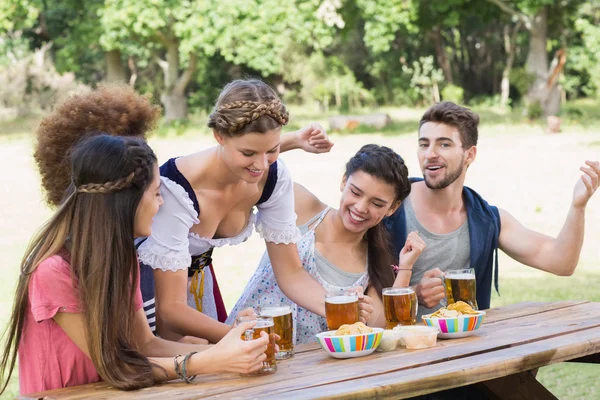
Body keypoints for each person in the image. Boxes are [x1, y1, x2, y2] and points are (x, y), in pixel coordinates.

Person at [0, 135, 271, 396]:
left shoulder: (122, 255)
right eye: (155, 193)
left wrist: (229, 347)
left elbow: (145, 343)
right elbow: (116, 368)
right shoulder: (54, 271)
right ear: (126, 202)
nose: (161, 203)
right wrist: (208, 361)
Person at [136, 79, 370, 344]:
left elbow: (291, 274)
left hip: (199, 288)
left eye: (273, 150)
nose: (261, 165)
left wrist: (338, 308)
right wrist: (240, 337)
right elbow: (169, 310)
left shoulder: (274, 177)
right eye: (248, 152)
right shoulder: (176, 190)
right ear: (219, 136)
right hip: (147, 297)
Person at [385, 101, 600, 317]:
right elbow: (358, 293)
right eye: (424, 144)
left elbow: (562, 262)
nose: (430, 154)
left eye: (444, 144)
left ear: (469, 155)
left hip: (468, 347)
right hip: (400, 345)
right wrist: (414, 294)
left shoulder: (487, 220)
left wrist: (578, 206)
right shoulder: (389, 207)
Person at [228, 144, 426, 342]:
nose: (360, 207)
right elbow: (247, 170)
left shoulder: (373, 260)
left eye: (376, 203)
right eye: (356, 192)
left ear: (392, 208)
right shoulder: (302, 207)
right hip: (245, 343)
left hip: (312, 367)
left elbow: (377, 327)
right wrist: (294, 141)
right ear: (343, 182)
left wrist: (405, 268)